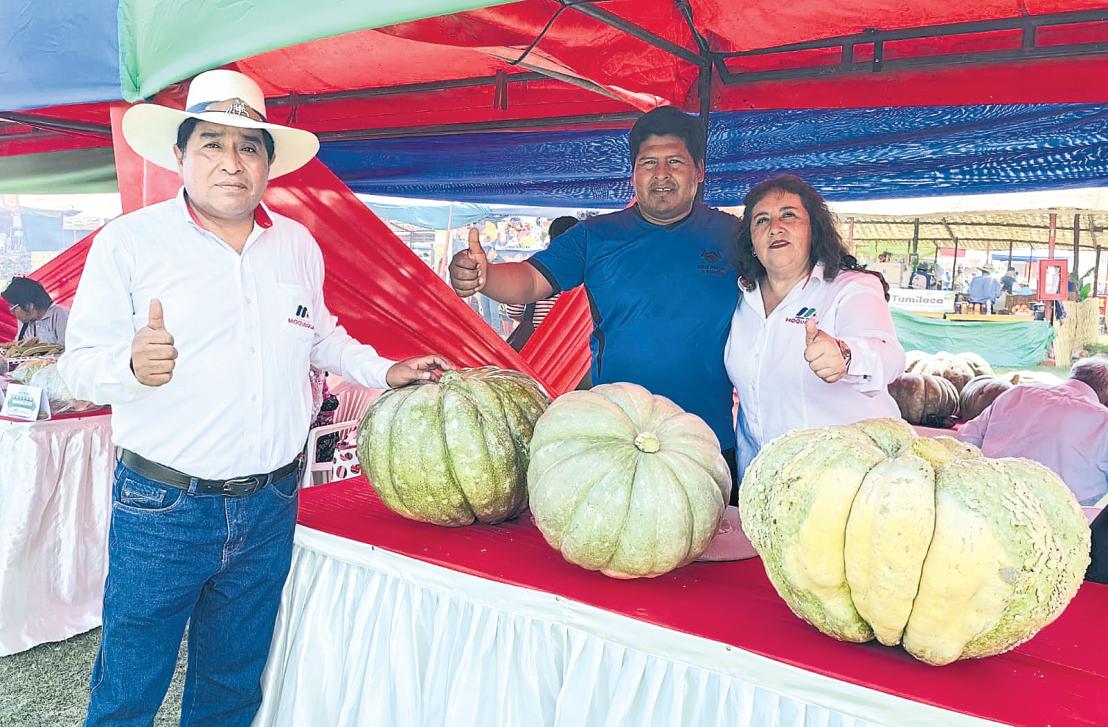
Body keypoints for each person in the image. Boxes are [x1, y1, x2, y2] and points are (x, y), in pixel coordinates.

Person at [57, 69, 450, 727]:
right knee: (129, 687)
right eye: (211, 144)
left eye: (249, 147)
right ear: (180, 155)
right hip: (164, 507)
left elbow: (321, 336)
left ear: (268, 162)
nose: (231, 163)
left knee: (232, 685)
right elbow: (77, 368)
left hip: (270, 501)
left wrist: (386, 370)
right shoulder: (129, 243)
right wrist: (130, 364)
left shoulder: (296, 244)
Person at [449, 106, 742, 493]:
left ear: (699, 171)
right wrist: (485, 277)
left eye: (675, 161)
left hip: (708, 441)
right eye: (648, 163)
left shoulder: (734, 236)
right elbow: (531, 279)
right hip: (617, 440)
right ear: (633, 174)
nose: (661, 174)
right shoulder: (596, 236)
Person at [725, 175, 905, 477]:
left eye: (789, 215)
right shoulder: (741, 298)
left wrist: (846, 355)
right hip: (763, 480)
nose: (775, 227)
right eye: (761, 220)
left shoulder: (852, 287)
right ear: (752, 242)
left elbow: (890, 356)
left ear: (814, 231)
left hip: (846, 482)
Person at [957, 357, 1108, 506]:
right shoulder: (1103, 420)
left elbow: (967, 437)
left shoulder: (1017, 392)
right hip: (1062, 512)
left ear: (1073, 375)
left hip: (989, 497)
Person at [504, 215, 579, 351]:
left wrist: (533, 319)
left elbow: (514, 310)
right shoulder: (589, 272)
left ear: (551, 238)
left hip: (537, 347)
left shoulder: (533, 267)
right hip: (574, 348)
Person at [1, 276, 69, 345]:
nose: (11, 312)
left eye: (13, 307)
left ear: (29, 306)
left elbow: (68, 348)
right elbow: (18, 345)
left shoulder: (62, 316)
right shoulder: (25, 320)